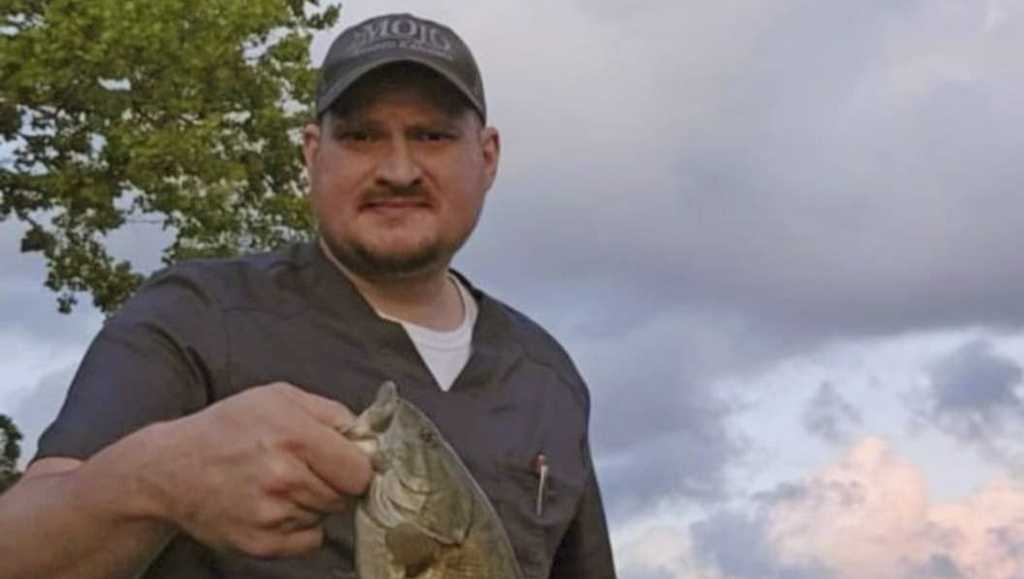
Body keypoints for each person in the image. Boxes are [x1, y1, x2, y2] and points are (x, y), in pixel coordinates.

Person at [0, 12, 616, 579]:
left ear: (487, 157)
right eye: (361, 137)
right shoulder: (196, 316)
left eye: (431, 136)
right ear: (312, 154)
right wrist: (154, 478)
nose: (398, 170)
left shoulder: (548, 379)